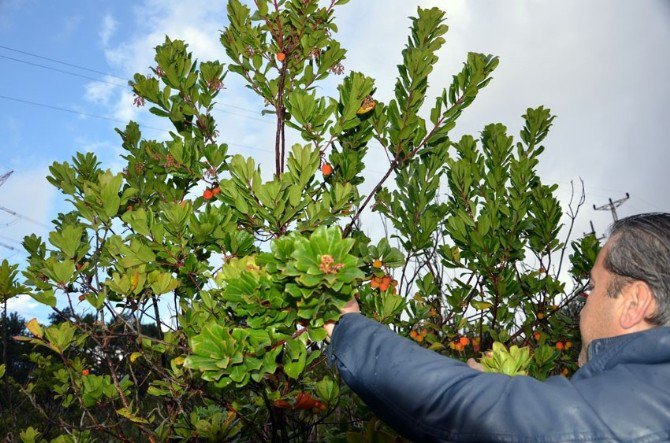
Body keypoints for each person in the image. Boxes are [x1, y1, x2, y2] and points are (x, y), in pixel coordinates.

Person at [324, 213, 670, 442]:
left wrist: (348, 326)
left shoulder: (643, 407)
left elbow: (467, 408)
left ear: (634, 302)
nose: (585, 301)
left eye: (593, 286)